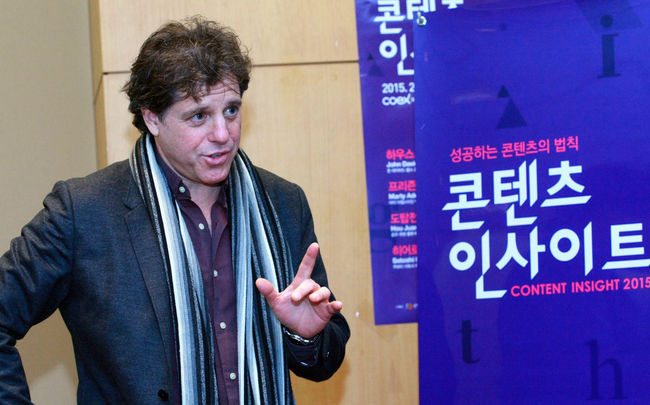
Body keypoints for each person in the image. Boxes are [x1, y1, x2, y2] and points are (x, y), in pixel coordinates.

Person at [0, 16, 349, 404]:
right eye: (199, 116)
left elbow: (325, 358)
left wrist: (304, 335)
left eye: (231, 110)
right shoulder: (82, 212)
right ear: (152, 118)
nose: (223, 134)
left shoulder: (282, 203)